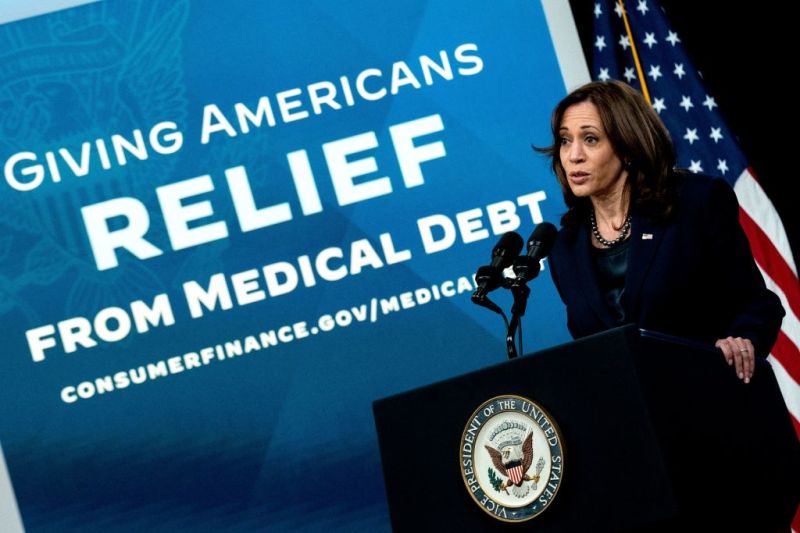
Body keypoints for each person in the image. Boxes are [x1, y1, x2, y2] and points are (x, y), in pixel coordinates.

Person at [537, 80, 784, 383]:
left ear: (628, 147)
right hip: (636, 419)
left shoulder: (695, 204)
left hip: (712, 395)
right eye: (564, 140)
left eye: (590, 139)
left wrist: (741, 339)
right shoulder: (565, 246)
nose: (573, 155)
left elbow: (758, 304)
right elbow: (591, 347)